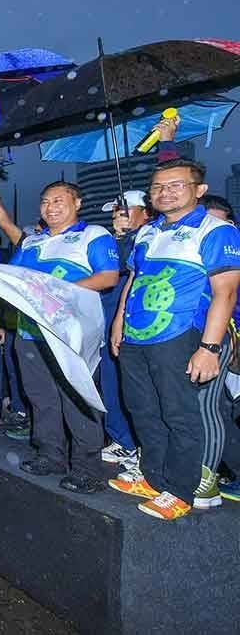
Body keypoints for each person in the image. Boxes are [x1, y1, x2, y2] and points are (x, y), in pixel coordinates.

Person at [109, 158, 240, 520]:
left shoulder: (216, 231)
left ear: (198, 190)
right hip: (137, 336)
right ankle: (154, 478)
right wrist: (119, 322)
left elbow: (225, 294)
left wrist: (209, 348)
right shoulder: (148, 232)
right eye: (157, 187)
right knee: (142, 409)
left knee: (179, 413)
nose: (164, 192)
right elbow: (133, 281)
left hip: (180, 334)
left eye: (175, 185)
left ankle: (180, 490)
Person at [0, 176, 119, 493]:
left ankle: (88, 468)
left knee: (77, 400)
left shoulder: (93, 235)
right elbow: (14, 281)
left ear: (77, 203)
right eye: (45, 201)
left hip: (72, 335)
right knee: (41, 399)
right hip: (31, 334)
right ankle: (50, 455)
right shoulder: (32, 242)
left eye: (59, 200)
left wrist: (58, 293)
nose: (51, 207)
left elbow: (108, 277)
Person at [97, 189, 151, 468]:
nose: (118, 217)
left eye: (124, 211)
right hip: (107, 324)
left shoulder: (148, 238)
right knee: (110, 384)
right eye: (115, 213)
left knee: (134, 390)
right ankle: (123, 440)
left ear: (146, 212)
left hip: (135, 327)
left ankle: (139, 447)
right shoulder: (114, 242)